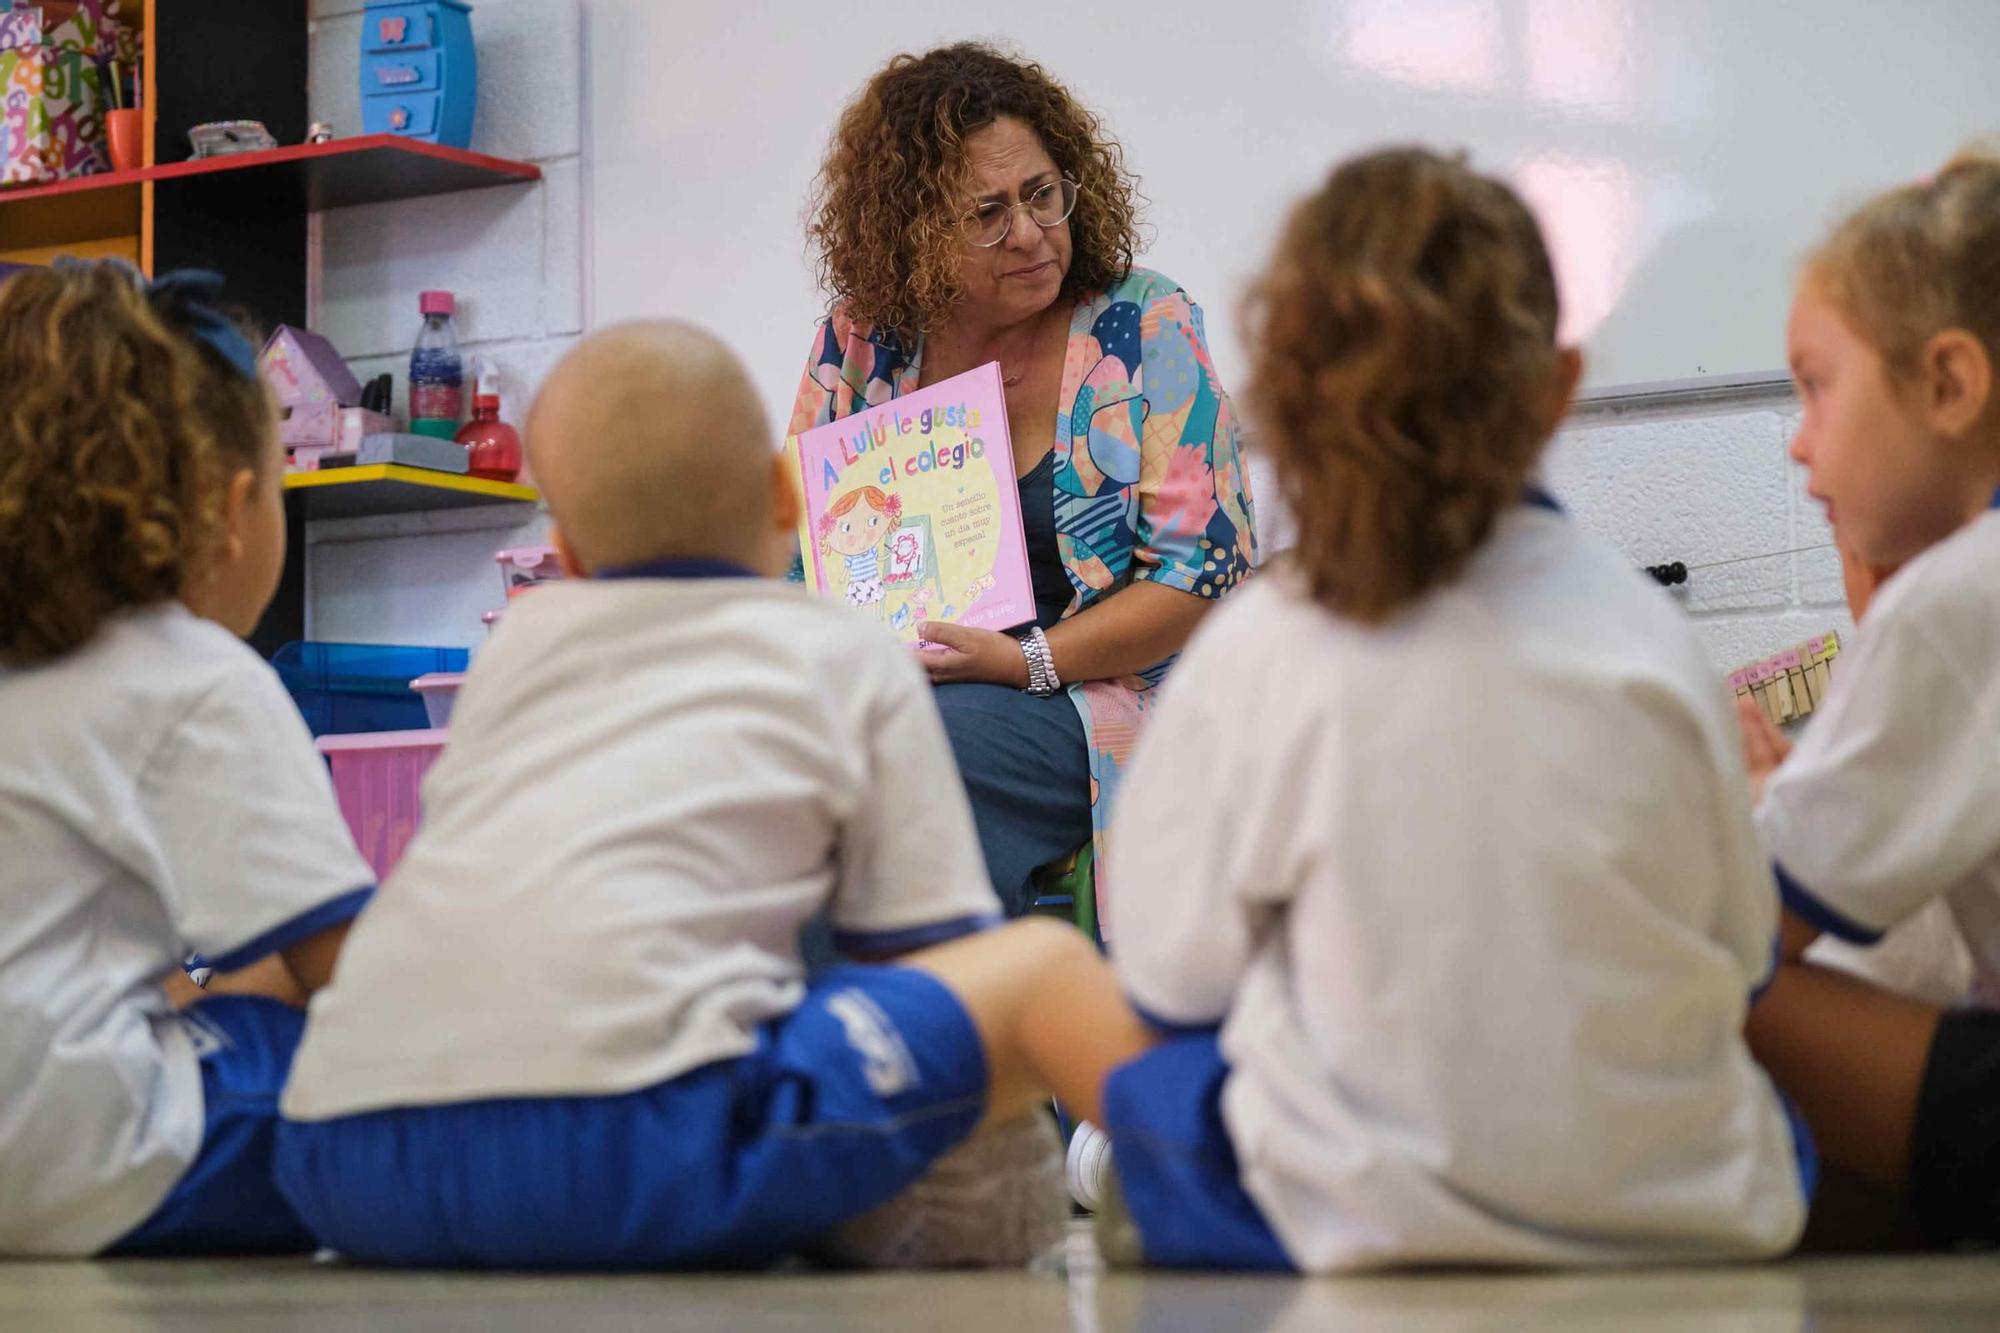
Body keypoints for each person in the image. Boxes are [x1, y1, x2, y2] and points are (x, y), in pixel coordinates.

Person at [273, 322, 1150, 1270]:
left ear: (564, 555)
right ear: (788, 498)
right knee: (1032, 978)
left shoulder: (511, 656)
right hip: (646, 1140)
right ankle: (1214, 1184)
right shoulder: (849, 652)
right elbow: (923, 953)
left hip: (351, 1152)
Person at [1088, 148, 1809, 1271]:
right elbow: (1744, 953)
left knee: (1155, 1081)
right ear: (1558, 388)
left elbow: (1171, 979)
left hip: (1364, 1224)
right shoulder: (1646, 638)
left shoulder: (1254, 656)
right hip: (1683, 1211)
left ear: (1274, 401)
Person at [792, 42, 1257, 917]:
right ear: (914, 232)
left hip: (1100, 703)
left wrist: (1024, 661)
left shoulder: (1140, 323)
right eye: (987, 213)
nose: (1034, 234)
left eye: (1043, 194)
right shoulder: (860, 343)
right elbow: (799, 559)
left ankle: (919, 1032)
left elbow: (1203, 577)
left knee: (913, 759)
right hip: (899, 692)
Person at [0, 261, 374, 1256]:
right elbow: (348, 973)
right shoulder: (196, 674)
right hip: (76, 1159)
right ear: (231, 508)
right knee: (369, 1078)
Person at [1739, 151, 2000, 1250]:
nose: (1797, 439)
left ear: (1946, 383)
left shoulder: (1955, 596)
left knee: (1677, 971)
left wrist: (1741, 805)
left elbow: (1748, 926)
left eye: (1814, 384)